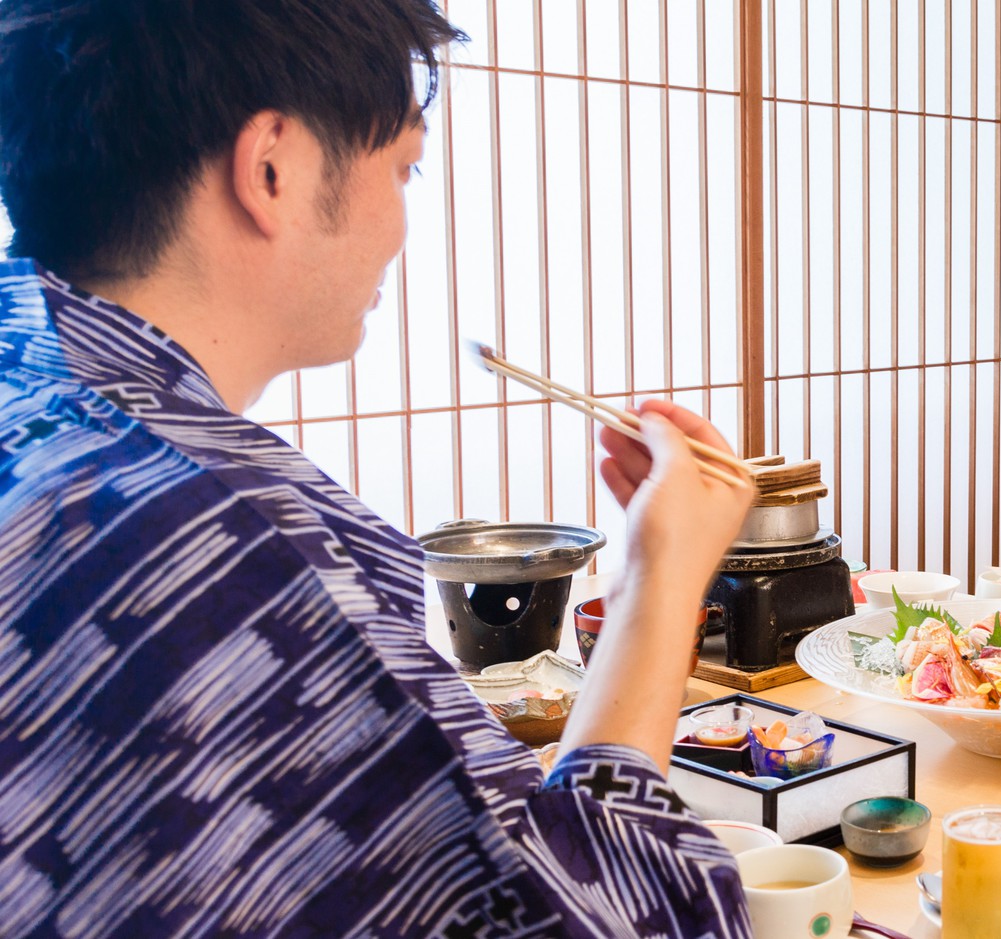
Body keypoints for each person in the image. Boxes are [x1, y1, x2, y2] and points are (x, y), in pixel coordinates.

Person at [0, 2, 756, 937]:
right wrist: (661, 581)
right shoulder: (214, 551)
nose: (401, 221)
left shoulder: (32, 398)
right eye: (404, 167)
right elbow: (590, 917)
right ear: (270, 167)